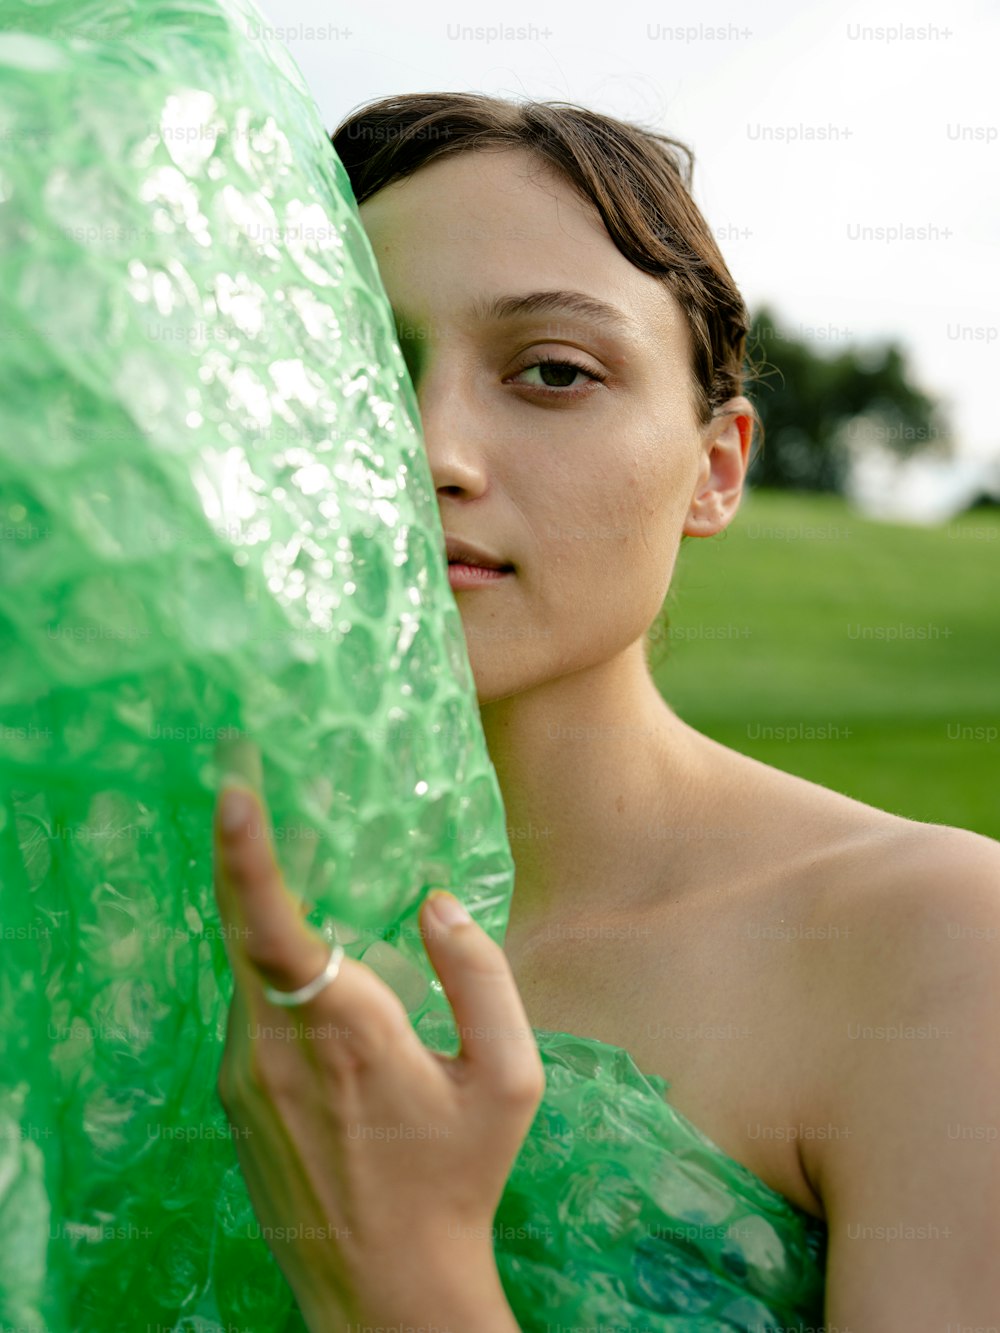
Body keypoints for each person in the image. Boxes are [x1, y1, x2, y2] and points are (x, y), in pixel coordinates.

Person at [210, 94, 1000, 1331]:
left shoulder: (935, 945)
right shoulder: (152, 909)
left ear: (716, 465)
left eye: (554, 373)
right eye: (358, 367)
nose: (433, 449)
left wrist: (405, 1284)